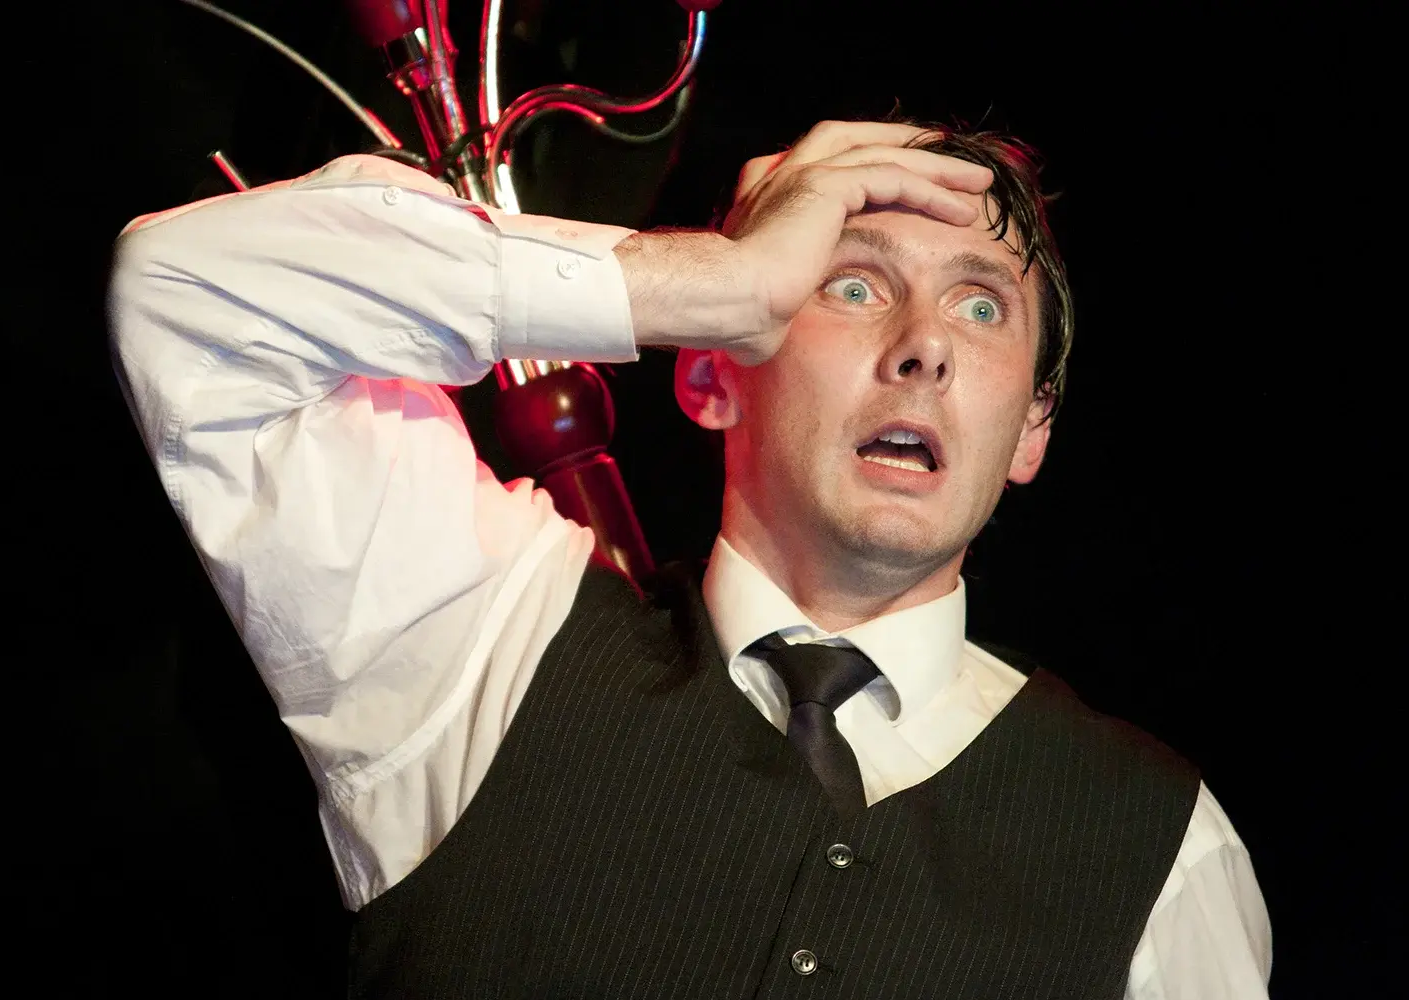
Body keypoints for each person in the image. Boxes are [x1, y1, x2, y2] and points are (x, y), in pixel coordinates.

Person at [109, 119, 1271, 997]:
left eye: (981, 309)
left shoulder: (1160, 849)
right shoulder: (477, 642)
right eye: (851, 283)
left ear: (1031, 430)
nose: (922, 346)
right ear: (715, 368)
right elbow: (186, 295)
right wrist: (715, 280)